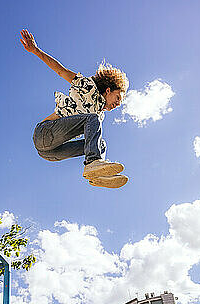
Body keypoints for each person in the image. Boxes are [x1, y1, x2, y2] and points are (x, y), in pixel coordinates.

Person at [20, 29, 130, 189]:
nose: (117, 105)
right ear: (108, 90)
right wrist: (35, 50)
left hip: (50, 153)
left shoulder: (98, 115)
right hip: (43, 134)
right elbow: (61, 70)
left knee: (102, 144)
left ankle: (96, 174)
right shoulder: (88, 86)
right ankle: (93, 163)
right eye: (117, 98)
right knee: (92, 118)